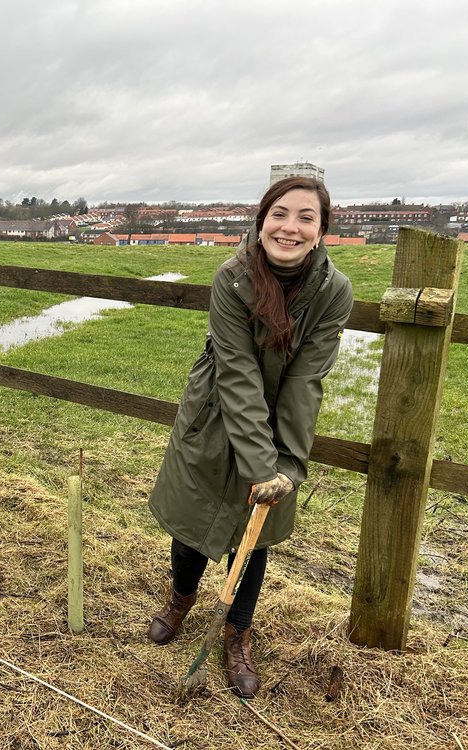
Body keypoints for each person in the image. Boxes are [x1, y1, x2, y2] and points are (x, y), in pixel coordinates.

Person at [147, 176, 353, 698]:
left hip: (283, 420)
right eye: (280, 214)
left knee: (254, 533)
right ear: (262, 221)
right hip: (216, 414)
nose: (291, 227)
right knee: (194, 520)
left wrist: (285, 468)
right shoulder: (231, 278)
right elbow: (236, 373)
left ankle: (238, 631)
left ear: (322, 229)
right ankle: (181, 595)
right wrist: (261, 467)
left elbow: (306, 380)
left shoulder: (334, 292)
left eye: (306, 217)